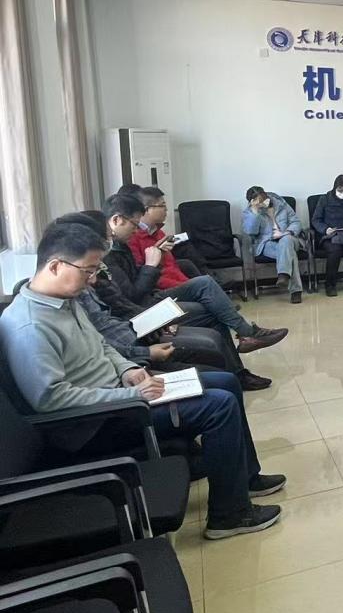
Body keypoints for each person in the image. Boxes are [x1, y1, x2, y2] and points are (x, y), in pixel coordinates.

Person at [0, 222, 287, 540]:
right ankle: (228, 516)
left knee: (226, 382)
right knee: (218, 405)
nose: (92, 280)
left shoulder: (64, 301)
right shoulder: (30, 326)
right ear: (55, 266)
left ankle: (245, 479)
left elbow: (102, 345)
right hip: (95, 422)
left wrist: (127, 370)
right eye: (88, 271)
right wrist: (132, 395)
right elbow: (51, 400)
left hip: (122, 393)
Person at [101, 194, 285, 389]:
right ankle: (243, 351)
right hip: (145, 310)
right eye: (134, 224)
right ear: (116, 220)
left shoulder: (121, 245)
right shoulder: (108, 256)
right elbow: (132, 297)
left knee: (206, 289)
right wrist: (150, 266)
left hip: (150, 298)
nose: (137, 229)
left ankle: (240, 363)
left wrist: (155, 260)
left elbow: (138, 284)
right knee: (208, 297)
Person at [243, 186, 304, 303]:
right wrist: (255, 213)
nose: (264, 202)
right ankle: (295, 290)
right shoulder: (249, 212)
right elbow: (251, 232)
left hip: (289, 237)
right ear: (253, 202)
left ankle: (283, 274)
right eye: (260, 202)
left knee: (286, 241)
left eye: (264, 198)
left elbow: (296, 222)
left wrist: (286, 233)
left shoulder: (281, 204)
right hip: (267, 243)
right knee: (289, 253)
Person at [128, 186, 197, 288]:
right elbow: (146, 277)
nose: (166, 209)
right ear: (146, 209)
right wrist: (186, 286)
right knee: (205, 284)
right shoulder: (133, 238)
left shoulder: (159, 233)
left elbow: (172, 267)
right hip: (163, 288)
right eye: (162, 206)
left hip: (179, 281)